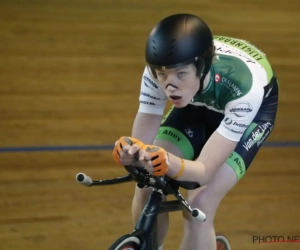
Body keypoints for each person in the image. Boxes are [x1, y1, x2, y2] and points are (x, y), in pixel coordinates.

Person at [112, 13, 279, 250]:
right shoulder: (156, 72)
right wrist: (134, 153)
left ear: (202, 66)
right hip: (196, 102)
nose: (170, 85)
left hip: (250, 110)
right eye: (163, 75)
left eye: (181, 74)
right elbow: (143, 135)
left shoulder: (244, 88)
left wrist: (168, 162)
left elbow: (202, 172)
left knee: (199, 202)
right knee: (148, 183)